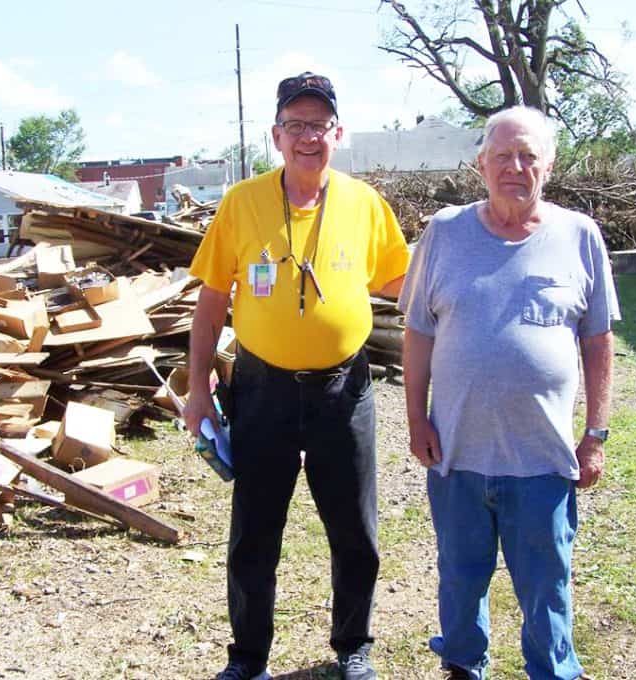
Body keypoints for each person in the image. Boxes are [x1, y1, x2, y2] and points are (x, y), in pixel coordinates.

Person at [183, 72, 410, 680]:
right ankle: (248, 658)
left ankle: (353, 647)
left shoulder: (364, 203)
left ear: (338, 132)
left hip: (345, 389)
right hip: (263, 390)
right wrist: (196, 390)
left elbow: (399, 281)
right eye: (296, 124)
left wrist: (461, 299)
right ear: (276, 134)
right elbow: (210, 304)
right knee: (254, 534)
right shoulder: (242, 202)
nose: (308, 136)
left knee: (356, 532)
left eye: (319, 124)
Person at [398, 105, 620, 680]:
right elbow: (418, 332)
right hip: (456, 453)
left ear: (548, 165)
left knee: (547, 585)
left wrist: (595, 434)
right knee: (460, 575)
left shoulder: (580, 235)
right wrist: (415, 419)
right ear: (481, 165)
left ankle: (551, 671)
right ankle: (463, 664)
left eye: (529, 156)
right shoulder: (445, 233)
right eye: (503, 156)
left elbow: (598, 341)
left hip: (542, 458)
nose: (515, 167)